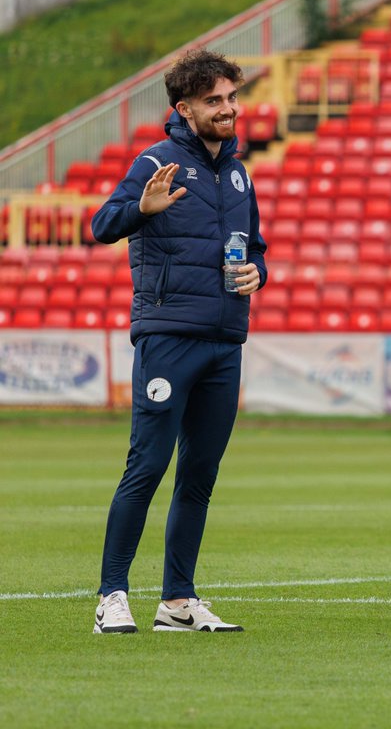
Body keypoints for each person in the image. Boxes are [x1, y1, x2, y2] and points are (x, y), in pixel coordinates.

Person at [91, 49, 267, 634]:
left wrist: (258, 273)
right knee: (146, 466)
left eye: (232, 98)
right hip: (168, 337)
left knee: (200, 476)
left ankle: (177, 602)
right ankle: (111, 596)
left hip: (224, 343)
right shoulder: (155, 162)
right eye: (214, 101)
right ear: (184, 109)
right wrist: (142, 208)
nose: (228, 109)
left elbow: (256, 246)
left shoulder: (239, 173)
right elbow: (102, 225)